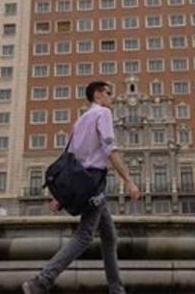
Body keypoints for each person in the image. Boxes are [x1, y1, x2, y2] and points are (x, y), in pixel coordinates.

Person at [23, 81, 141, 294]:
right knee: (85, 235)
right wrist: (128, 180)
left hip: (82, 182)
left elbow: (71, 158)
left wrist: (61, 195)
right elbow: (110, 149)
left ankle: (116, 288)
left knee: (108, 236)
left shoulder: (80, 120)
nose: (111, 97)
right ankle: (41, 281)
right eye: (108, 93)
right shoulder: (102, 114)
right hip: (93, 182)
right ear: (97, 95)